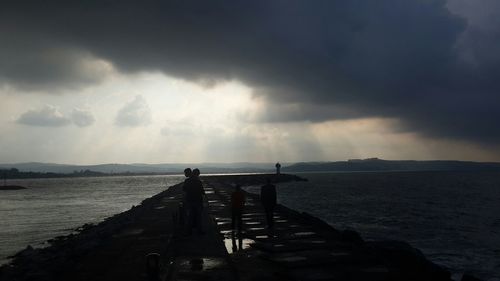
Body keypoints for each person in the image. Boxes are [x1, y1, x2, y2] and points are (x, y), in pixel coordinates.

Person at [184, 168, 205, 235]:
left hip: (190, 200)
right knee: (198, 217)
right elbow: (202, 191)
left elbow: (184, 189)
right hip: (198, 201)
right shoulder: (198, 181)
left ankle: (189, 231)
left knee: (190, 216)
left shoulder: (187, 181)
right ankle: (199, 231)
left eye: (185, 173)